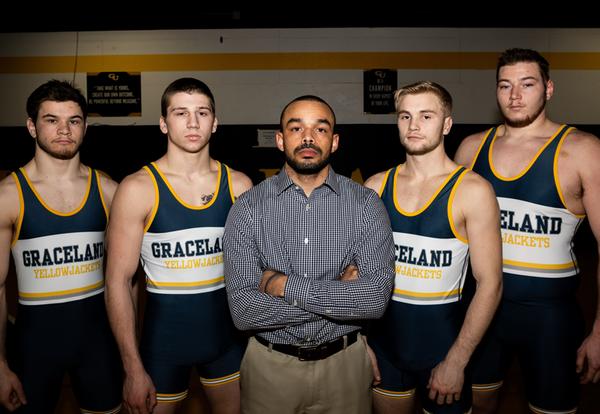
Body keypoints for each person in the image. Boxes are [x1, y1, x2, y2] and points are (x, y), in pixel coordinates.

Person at [223, 94, 396, 414]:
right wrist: (341, 295)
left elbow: (374, 300)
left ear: (334, 142)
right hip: (270, 368)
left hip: (345, 366)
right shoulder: (247, 208)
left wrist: (283, 285)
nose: (307, 137)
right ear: (279, 140)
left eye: (320, 129)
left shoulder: (365, 205)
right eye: (295, 128)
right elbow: (244, 311)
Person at [454, 48, 600, 413]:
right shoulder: (471, 149)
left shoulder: (582, 151)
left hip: (549, 317)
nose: (515, 95)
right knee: (475, 405)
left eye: (527, 84)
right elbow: (445, 235)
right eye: (505, 85)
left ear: (548, 89)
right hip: (480, 312)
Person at [104, 77, 252, 414]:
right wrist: (131, 367)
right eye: (181, 113)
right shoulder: (138, 188)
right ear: (163, 123)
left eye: (202, 112)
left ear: (215, 123)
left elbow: (258, 270)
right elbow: (117, 282)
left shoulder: (239, 185)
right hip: (163, 347)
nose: (193, 122)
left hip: (227, 343)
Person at [364, 81, 502, 414]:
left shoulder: (472, 190)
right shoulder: (375, 186)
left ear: (447, 124)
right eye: (405, 116)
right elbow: (356, 274)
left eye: (426, 116)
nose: (413, 126)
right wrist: (360, 341)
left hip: (444, 349)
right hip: (384, 348)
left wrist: (457, 360)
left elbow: (491, 284)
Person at [0, 80, 122, 413]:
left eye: (74, 120)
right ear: (31, 126)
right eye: (51, 120)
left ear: (85, 128)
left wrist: (132, 356)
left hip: (99, 346)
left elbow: (129, 279)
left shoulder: (109, 190)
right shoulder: (8, 196)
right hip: (33, 349)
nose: (64, 130)